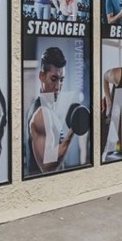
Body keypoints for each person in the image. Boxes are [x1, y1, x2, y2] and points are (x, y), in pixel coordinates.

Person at [25, 47, 75, 175]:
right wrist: (73, 131)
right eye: (54, 79)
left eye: (61, 79)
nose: (58, 86)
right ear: (41, 76)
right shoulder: (42, 113)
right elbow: (47, 167)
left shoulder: (46, 107)